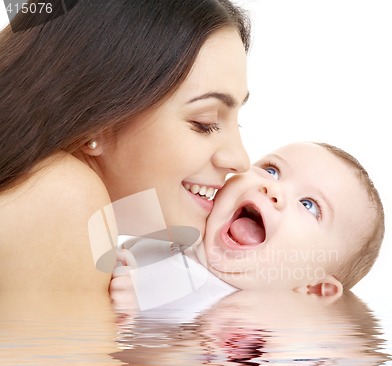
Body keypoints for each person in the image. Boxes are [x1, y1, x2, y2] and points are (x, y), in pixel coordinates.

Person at [0, 0, 251, 294]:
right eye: (204, 122)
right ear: (96, 119)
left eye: (239, 124)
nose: (242, 160)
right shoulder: (62, 195)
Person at [111, 141, 385, 314]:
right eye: (272, 170)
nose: (273, 188)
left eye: (309, 204)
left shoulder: (238, 318)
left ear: (314, 287)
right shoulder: (170, 237)